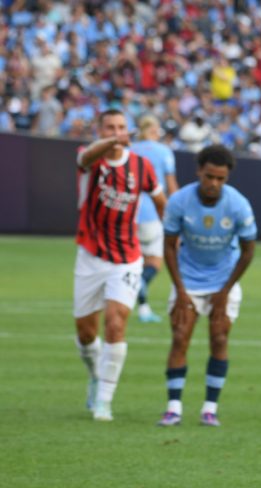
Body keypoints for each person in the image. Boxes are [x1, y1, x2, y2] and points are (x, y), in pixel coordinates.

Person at [74, 109, 166, 421]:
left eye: (121, 127)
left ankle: (104, 401)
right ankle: (95, 374)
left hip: (127, 257)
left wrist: (173, 233)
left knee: (116, 322)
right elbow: (86, 157)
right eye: (110, 128)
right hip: (90, 255)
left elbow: (160, 201)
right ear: (100, 131)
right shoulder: (90, 159)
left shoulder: (141, 165)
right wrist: (111, 142)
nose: (116, 132)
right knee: (86, 333)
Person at [157, 145, 257, 427]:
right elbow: (169, 246)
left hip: (223, 280)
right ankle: (173, 408)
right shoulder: (179, 201)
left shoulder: (238, 204)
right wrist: (180, 290)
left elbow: (248, 251)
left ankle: (209, 409)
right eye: (209, 176)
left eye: (220, 179)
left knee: (220, 339)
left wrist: (225, 291)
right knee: (180, 337)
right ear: (199, 171)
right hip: (187, 279)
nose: (214, 183)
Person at [130, 115, 179, 323]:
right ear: (154, 129)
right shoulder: (163, 151)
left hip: (128, 213)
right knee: (154, 263)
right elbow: (171, 186)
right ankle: (136, 287)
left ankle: (143, 309)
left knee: (133, 262)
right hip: (152, 212)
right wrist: (177, 213)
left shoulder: (130, 150)